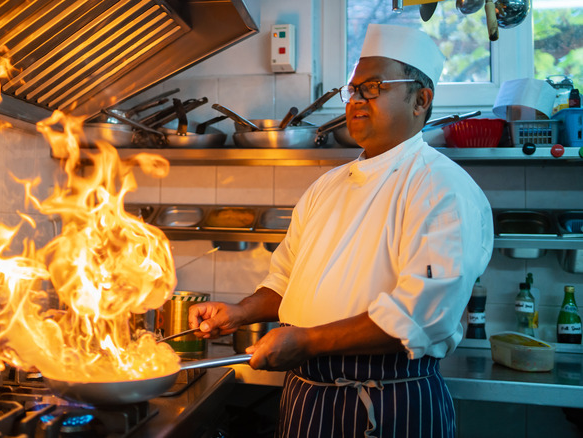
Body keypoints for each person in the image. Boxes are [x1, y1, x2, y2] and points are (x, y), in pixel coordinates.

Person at [188, 24, 493, 438]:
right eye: (354, 90)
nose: (357, 100)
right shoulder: (327, 186)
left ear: (421, 100)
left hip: (390, 401)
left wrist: (308, 341)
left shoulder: (441, 188)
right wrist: (240, 312)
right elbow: (285, 281)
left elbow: (419, 317)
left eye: (374, 87)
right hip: (306, 398)